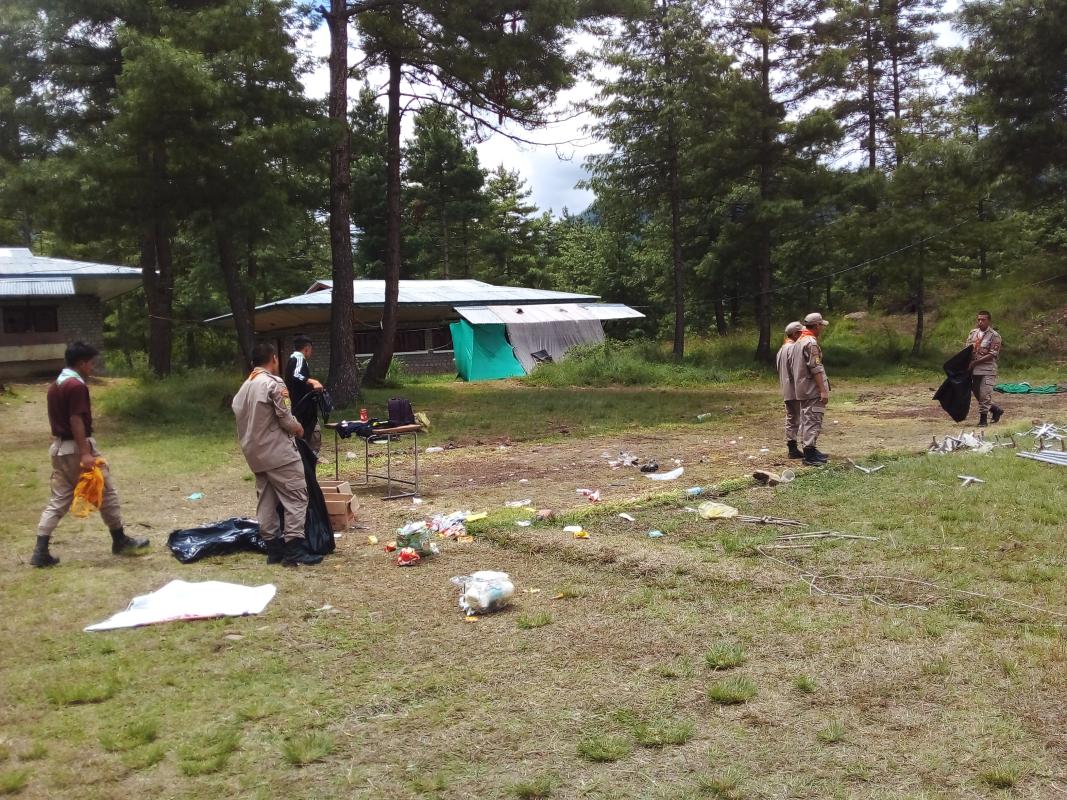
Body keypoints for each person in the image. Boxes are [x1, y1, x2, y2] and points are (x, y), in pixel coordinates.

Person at [30, 342, 149, 567]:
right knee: (106, 491)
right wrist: (85, 453)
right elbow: (76, 419)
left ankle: (40, 550)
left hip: (60, 448)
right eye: (91, 363)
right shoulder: (76, 386)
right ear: (82, 363)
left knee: (59, 499)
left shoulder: (56, 385)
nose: (92, 368)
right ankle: (119, 540)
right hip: (77, 448)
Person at [232, 342, 322, 566]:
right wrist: (298, 428)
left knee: (266, 500)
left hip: (254, 454)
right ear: (274, 358)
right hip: (278, 453)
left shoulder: (244, 387)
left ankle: (273, 550)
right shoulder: (273, 383)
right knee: (297, 496)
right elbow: (285, 416)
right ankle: (294, 550)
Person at [789, 312, 832, 466]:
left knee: (807, 419)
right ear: (816, 326)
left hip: (801, 388)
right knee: (813, 419)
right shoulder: (810, 343)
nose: (822, 328)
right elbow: (816, 368)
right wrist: (823, 390)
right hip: (811, 389)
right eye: (821, 325)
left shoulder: (798, 342)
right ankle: (809, 454)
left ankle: (810, 449)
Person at [283, 334, 324, 455]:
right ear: (307, 348)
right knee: (311, 437)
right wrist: (312, 381)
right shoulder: (299, 358)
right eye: (311, 349)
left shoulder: (292, 360)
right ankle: (309, 459)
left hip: (298, 407)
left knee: (302, 439)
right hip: (303, 409)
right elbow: (296, 375)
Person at [966, 310, 1004, 427]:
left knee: (984, 394)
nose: (980, 322)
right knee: (977, 394)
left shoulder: (994, 336)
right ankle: (995, 409)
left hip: (987, 369)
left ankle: (983, 420)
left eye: (983, 320)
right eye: (979, 319)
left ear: (989, 321)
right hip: (974, 369)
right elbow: (967, 349)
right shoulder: (973, 333)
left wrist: (976, 362)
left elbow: (992, 354)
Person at [776, 321, 805, 459]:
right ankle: (802, 448)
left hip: (786, 389)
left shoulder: (781, 349)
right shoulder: (793, 348)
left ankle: (792, 447)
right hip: (796, 389)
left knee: (791, 418)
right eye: (800, 333)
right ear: (795, 334)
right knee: (800, 418)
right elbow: (798, 369)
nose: (802, 336)